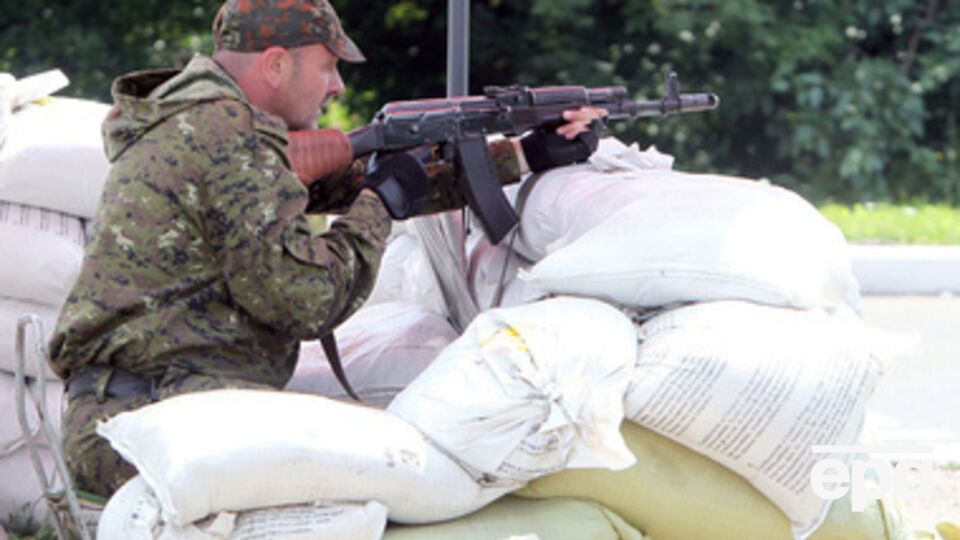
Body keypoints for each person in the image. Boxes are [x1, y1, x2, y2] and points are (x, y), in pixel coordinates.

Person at [48, 0, 605, 499]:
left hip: (145, 408)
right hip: (151, 420)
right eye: (328, 66)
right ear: (275, 65)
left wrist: (523, 154)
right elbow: (307, 299)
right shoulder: (227, 137)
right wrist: (379, 207)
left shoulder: (207, 125)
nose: (337, 85)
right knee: (385, 475)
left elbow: (355, 181)